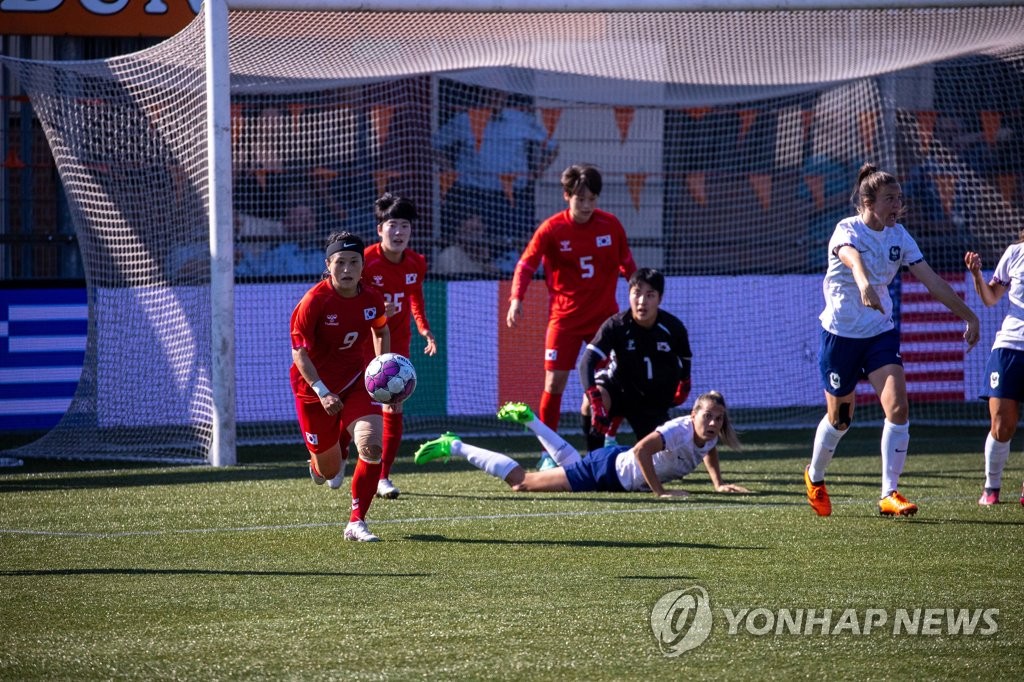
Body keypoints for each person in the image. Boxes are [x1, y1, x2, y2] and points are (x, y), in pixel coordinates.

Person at [803, 163, 981, 519]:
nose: (896, 205)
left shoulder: (900, 235)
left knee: (898, 408)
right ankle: (815, 477)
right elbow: (850, 258)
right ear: (867, 202)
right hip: (840, 335)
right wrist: (865, 282)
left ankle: (889, 493)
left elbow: (932, 281)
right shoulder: (846, 228)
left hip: (880, 332)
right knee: (840, 419)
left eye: (899, 198)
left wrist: (970, 315)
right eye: (889, 199)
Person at [506, 163, 637, 468]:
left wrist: (636, 301)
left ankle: (607, 438)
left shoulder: (611, 225)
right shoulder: (552, 229)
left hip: (604, 320)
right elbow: (526, 265)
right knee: (554, 384)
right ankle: (548, 453)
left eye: (592, 199)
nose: (587, 206)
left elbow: (628, 266)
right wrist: (516, 298)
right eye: (581, 200)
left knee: (614, 382)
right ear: (567, 196)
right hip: (563, 320)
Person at [413, 392, 749, 497]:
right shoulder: (678, 429)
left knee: (571, 463)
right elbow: (641, 450)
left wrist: (718, 483)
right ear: (693, 414)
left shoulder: (707, 435)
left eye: (718, 419)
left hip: (610, 464)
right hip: (610, 472)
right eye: (707, 416)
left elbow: (708, 449)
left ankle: (531, 420)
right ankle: (455, 445)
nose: (712, 424)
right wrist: (660, 491)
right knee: (523, 483)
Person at [289, 231, 391, 541]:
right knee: (329, 472)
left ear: (363, 266)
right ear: (328, 265)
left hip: (356, 382)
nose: (347, 269)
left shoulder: (372, 297)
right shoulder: (314, 301)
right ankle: (322, 464)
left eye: (354, 262)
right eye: (340, 263)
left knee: (373, 447)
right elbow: (299, 352)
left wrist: (383, 371)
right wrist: (321, 390)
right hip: (313, 391)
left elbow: (381, 330)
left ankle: (356, 521)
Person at [359, 193, 438, 500]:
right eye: (392, 224)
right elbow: (354, 298)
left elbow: (415, 297)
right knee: (354, 403)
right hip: (365, 341)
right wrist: (376, 313)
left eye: (404, 225)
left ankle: (383, 476)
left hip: (396, 346)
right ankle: (336, 457)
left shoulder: (417, 262)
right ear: (380, 229)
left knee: (394, 404)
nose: (399, 231)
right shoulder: (365, 260)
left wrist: (425, 330)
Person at [577, 267, 692, 451]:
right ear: (629, 295)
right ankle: (594, 460)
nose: (641, 301)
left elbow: (685, 358)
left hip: (650, 399)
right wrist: (596, 401)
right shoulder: (616, 325)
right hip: (617, 389)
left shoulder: (674, 328)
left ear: (659, 299)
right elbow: (586, 363)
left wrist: (685, 383)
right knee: (588, 405)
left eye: (650, 295)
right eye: (636, 293)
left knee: (667, 458)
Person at [433, 88, 559, 252]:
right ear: (481, 95)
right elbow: (434, 145)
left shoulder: (520, 119)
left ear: (506, 95)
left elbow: (552, 147)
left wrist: (537, 171)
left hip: (512, 197)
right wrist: (450, 170)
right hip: (473, 196)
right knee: (474, 242)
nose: (494, 99)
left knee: (513, 241)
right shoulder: (465, 120)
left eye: (498, 95)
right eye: (490, 94)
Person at [965, 242, 1024, 506]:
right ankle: (992, 486)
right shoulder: (1014, 253)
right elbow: (990, 298)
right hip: (1010, 347)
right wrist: (977, 275)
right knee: (1002, 425)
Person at [433, 210, 499, 277]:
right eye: (472, 230)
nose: (475, 236)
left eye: (478, 230)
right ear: (459, 230)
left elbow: (496, 281)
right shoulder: (449, 256)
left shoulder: (484, 256)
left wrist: (486, 260)